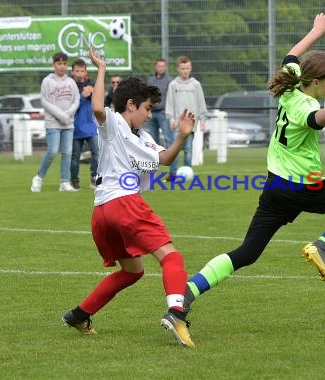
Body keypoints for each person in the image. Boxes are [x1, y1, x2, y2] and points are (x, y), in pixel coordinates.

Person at [183, 13, 325, 314]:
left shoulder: (291, 85)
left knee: (247, 252)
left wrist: (316, 31)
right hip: (305, 187)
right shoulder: (305, 105)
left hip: (276, 186)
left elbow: (291, 55)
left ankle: (186, 293)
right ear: (315, 82)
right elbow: (314, 121)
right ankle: (323, 246)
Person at [61, 48, 197, 348]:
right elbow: (98, 105)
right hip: (124, 204)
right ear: (131, 105)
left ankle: (79, 314)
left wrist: (182, 136)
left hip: (102, 212)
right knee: (171, 257)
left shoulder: (143, 136)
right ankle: (177, 313)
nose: (149, 115)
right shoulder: (114, 125)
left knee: (133, 271)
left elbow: (163, 159)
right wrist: (101, 69)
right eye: (147, 108)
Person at [31, 52, 80, 192]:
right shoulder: (47, 81)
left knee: (67, 152)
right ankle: (38, 177)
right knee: (52, 151)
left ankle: (64, 182)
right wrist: (60, 115)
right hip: (53, 123)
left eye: (64, 63)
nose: (62, 66)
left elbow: (76, 100)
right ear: (53, 65)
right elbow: (45, 101)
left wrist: (67, 115)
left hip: (68, 123)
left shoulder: (71, 82)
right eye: (59, 63)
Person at [165, 55, 208, 180]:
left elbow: (201, 103)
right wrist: (171, 118)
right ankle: (172, 174)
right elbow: (170, 103)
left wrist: (202, 119)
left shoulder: (195, 84)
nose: (185, 71)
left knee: (188, 149)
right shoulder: (173, 84)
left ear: (191, 69)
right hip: (177, 125)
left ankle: (187, 173)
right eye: (183, 68)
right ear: (178, 69)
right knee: (175, 149)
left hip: (191, 124)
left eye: (187, 68)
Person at [70, 59, 99, 190]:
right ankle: (74, 181)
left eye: (82, 71)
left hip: (92, 126)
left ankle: (95, 178)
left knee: (96, 153)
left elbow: (99, 102)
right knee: (75, 156)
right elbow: (71, 107)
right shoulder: (70, 86)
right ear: (72, 72)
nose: (80, 73)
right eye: (77, 71)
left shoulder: (92, 84)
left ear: (86, 71)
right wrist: (82, 96)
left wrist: (94, 93)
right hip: (76, 127)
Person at [146, 58, 172, 147]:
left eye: (163, 66)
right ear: (155, 67)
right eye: (159, 66)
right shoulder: (150, 80)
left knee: (168, 139)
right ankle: (155, 161)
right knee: (152, 141)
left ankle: (171, 161)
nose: (161, 68)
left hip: (163, 113)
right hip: (151, 114)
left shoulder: (170, 81)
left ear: (165, 67)